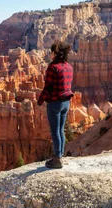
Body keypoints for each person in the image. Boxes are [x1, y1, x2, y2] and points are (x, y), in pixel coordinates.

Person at [37, 41, 74, 169]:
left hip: (55, 103)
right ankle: (60, 155)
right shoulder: (68, 66)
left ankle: (57, 159)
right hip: (66, 102)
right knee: (61, 129)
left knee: (55, 131)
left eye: (51, 51)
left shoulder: (53, 67)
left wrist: (40, 100)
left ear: (55, 53)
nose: (50, 54)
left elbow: (47, 87)